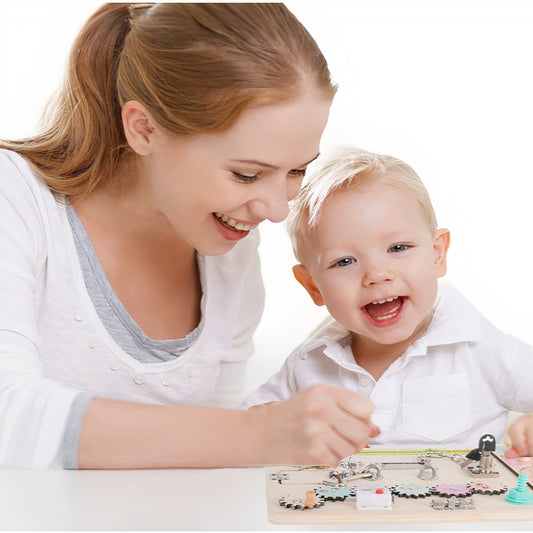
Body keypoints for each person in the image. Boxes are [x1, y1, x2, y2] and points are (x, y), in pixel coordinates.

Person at [0, 3, 377, 469]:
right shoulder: (15, 198)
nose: (277, 210)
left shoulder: (229, 254)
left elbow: (205, 461)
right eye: (245, 174)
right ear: (144, 129)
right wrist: (257, 434)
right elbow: (8, 416)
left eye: (297, 170)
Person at [242, 145, 533, 459]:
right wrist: (264, 426)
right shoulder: (307, 365)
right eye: (344, 261)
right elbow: (242, 429)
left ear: (436, 254)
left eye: (398, 248)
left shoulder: (480, 348)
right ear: (314, 286)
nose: (377, 274)